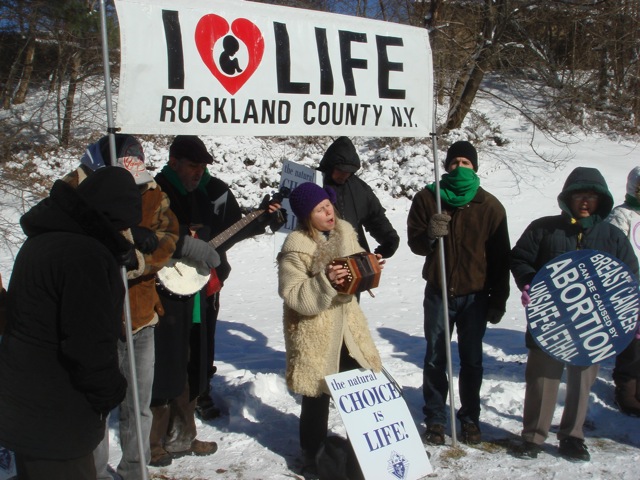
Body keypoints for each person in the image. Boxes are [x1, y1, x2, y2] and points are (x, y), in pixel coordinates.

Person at [0, 167, 142, 480]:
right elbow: (88, 344)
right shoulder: (86, 256)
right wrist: (111, 390)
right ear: (112, 217)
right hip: (57, 415)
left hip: (26, 406)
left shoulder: (42, 240)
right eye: (122, 226)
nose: (124, 233)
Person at [150, 135, 284, 466]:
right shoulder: (154, 192)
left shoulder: (206, 192)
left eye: (202, 166)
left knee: (194, 357)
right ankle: (153, 442)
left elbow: (228, 233)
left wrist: (262, 220)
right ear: (174, 162)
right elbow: (147, 237)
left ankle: (183, 435)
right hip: (161, 292)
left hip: (200, 289)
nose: (199, 172)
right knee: (165, 363)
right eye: (193, 165)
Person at [62, 134, 179, 479]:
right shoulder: (74, 189)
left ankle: (134, 470)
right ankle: (94, 473)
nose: (132, 187)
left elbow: (168, 237)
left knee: (138, 405)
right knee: (95, 405)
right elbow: (64, 238)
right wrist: (120, 241)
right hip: (95, 317)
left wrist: (139, 260)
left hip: (140, 313)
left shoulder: (152, 191)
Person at [510, 166, 638, 461]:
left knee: (582, 382)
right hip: (549, 322)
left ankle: (572, 437)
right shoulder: (544, 228)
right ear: (568, 197)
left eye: (591, 196)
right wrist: (529, 282)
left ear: (601, 201)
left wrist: (629, 310)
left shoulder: (612, 236)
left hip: (592, 325)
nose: (585, 202)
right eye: (579, 195)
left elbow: (629, 275)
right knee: (542, 379)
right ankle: (533, 436)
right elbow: (519, 258)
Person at [407, 140, 511, 445]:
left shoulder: (490, 206)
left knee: (472, 360)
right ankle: (435, 418)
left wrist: (499, 299)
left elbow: (501, 258)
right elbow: (415, 244)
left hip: (475, 296)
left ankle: (470, 418)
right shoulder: (429, 199)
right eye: (454, 162)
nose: (459, 167)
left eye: (466, 162)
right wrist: (430, 235)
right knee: (435, 358)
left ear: (474, 167)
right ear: (446, 165)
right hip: (439, 292)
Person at [277, 181, 383, 476]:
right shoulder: (295, 247)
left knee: (360, 389)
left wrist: (370, 267)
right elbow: (293, 294)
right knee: (316, 395)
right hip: (315, 331)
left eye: (328, 206)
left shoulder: (345, 232)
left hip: (348, 327)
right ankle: (312, 453)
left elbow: (357, 266)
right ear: (306, 217)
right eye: (319, 210)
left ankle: (367, 448)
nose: (328, 213)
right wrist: (325, 281)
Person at [318, 136, 400, 259]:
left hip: (355, 256)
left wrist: (389, 240)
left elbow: (375, 217)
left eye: (349, 171)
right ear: (330, 167)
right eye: (341, 170)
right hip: (322, 257)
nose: (344, 175)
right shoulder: (314, 185)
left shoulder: (359, 188)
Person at [604, 165, 640, 416]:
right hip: (629, 289)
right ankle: (627, 387)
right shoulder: (622, 215)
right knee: (632, 342)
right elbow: (612, 251)